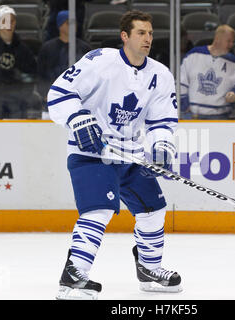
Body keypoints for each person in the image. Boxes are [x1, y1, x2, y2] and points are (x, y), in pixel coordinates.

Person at [47, 10, 182, 300]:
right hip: (92, 153)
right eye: (141, 33)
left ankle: (149, 268)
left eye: (150, 33)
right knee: (99, 210)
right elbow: (59, 93)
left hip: (131, 156)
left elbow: (162, 120)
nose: (147, 38)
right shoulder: (100, 61)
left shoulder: (160, 74)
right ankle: (72, 276)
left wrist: (160, 146)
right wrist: (78, 119)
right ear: (125, 36)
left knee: (153, 210)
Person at [179, 25, 235, 119]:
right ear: (217, 39)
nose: (231, 45)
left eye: (232, 42)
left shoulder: (233, 62)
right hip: (192, 115)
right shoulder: (194, 55)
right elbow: (181, 81)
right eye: (228, 41)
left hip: (220, 117)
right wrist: (184, 104)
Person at [36, 10, 91, 104]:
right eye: (68, 23)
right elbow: (40, 74)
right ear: (60, 25)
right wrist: (45, 95)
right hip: (53, 97)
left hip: (78, 98)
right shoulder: (48, 48)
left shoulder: (84, 48)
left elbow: (90, 74)